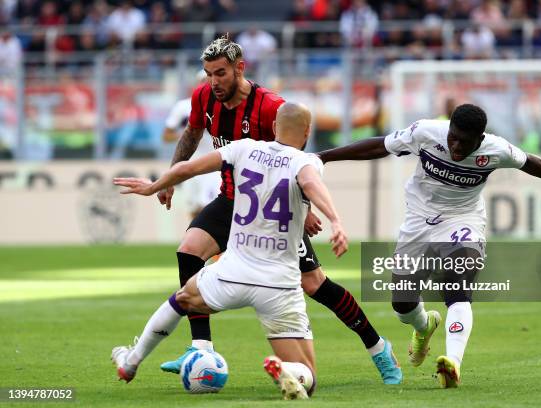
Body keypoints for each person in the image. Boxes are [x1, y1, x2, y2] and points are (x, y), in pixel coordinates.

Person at [154, 36, 401, 384]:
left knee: (314, 284)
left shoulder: (270, 107)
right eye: (209, 74)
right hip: (231, 201)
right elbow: (192, 134)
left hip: (275, 211)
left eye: (220, 73)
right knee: (189, 250)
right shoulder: (203, 97)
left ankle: (378, 348)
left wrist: (305, 207)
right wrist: (170, 178)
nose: (214, 82)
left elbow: (294, 157)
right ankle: (201, 349)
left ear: (240, 68)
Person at [317, 103, 541, 388]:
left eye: (465, 143)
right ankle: (423, 326)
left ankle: (452, 362)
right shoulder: (427, 132)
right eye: (453, 138)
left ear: (479, 140)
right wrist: (324, 157)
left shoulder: (495, 149)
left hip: (463, 220)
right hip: (418, 220)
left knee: (457, 283)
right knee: (402, 305)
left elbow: (531, 162)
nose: (456, 147)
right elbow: (379, 146)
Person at [111, 102, 347, 399]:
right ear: (308, 132)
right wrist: (335, 220)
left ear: (274, 127)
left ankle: (131, 363)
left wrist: (155, 185)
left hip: (233, 270)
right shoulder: (306, 161)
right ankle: (289, 371)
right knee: (308, 375)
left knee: (182, 298)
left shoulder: (244, 148)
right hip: (279, 284)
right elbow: (311, 183)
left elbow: (189, 167)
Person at [162, 70, 220, 219]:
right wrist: (188, 136)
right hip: (190, 163)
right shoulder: (183, 107)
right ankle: (195, 239)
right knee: (193, 209)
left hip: (213, 164)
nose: (206, 84)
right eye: (203, 81)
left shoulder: (223, 106)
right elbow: (166, 135)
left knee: (209, 207)